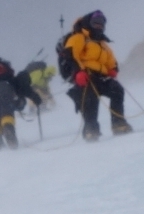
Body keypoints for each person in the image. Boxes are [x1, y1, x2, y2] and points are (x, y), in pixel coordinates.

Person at [56, 11, 131, 140]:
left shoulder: (103, 44)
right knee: (90, 98)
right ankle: (91, 130)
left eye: (101, 24)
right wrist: (78, 72)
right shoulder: (79, 37)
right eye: (95, 23)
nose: (98, 26)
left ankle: (118, 124)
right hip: (85, 75)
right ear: (88, 23)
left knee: (117, 89)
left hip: (101, 76)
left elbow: (111, 60)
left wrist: (113, 69)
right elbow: (71, 55)